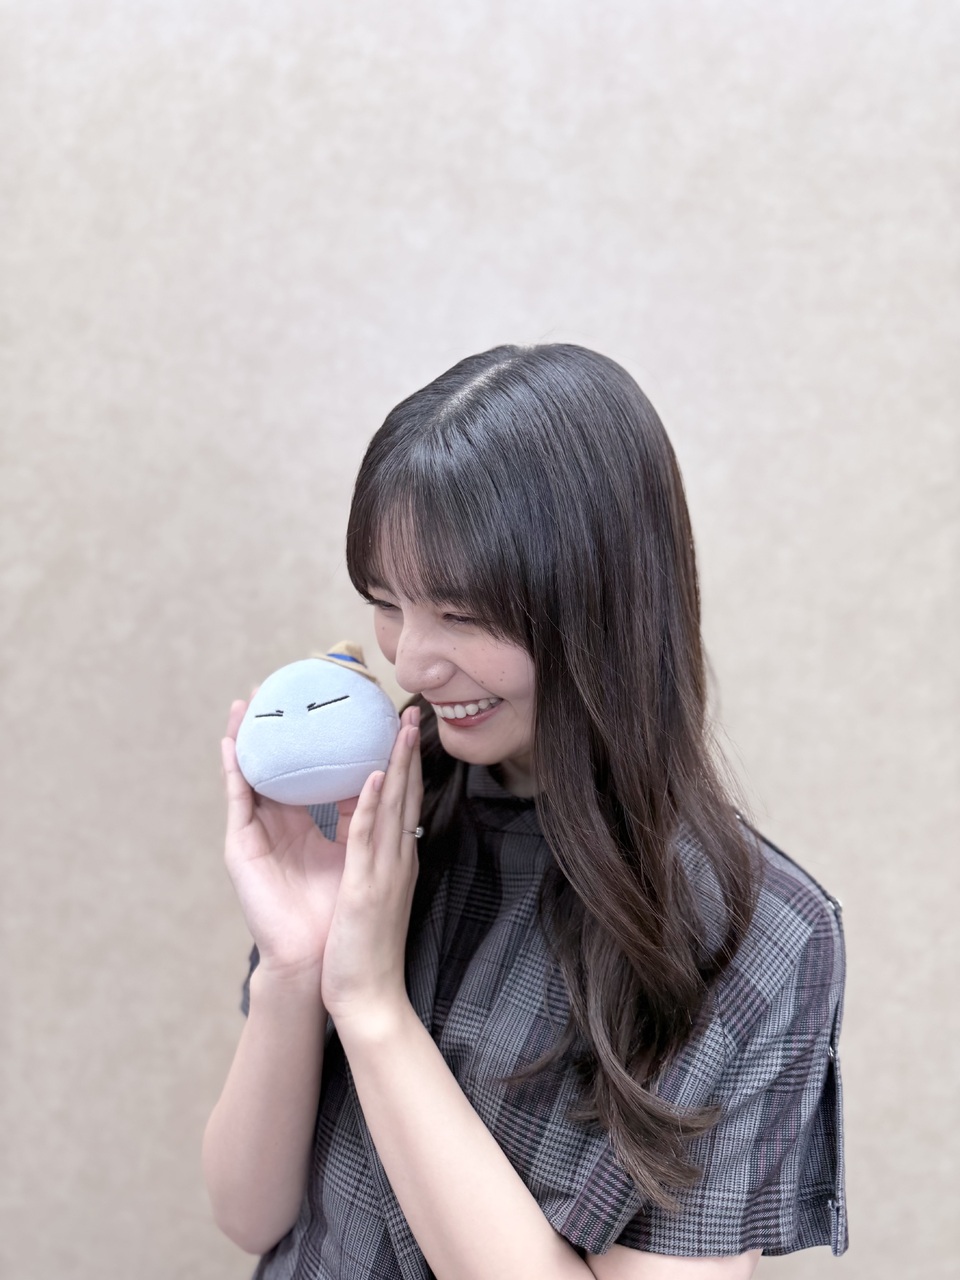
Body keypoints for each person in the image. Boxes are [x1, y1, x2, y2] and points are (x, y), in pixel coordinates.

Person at [203, 344, 847, 1280]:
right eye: (386, 603)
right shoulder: (380, 803)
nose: (411, 662)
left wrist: (374, 1007)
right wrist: (295, 970)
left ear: (601, 604)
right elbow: (248, 1213)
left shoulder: (754, 937)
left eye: (461, 615)